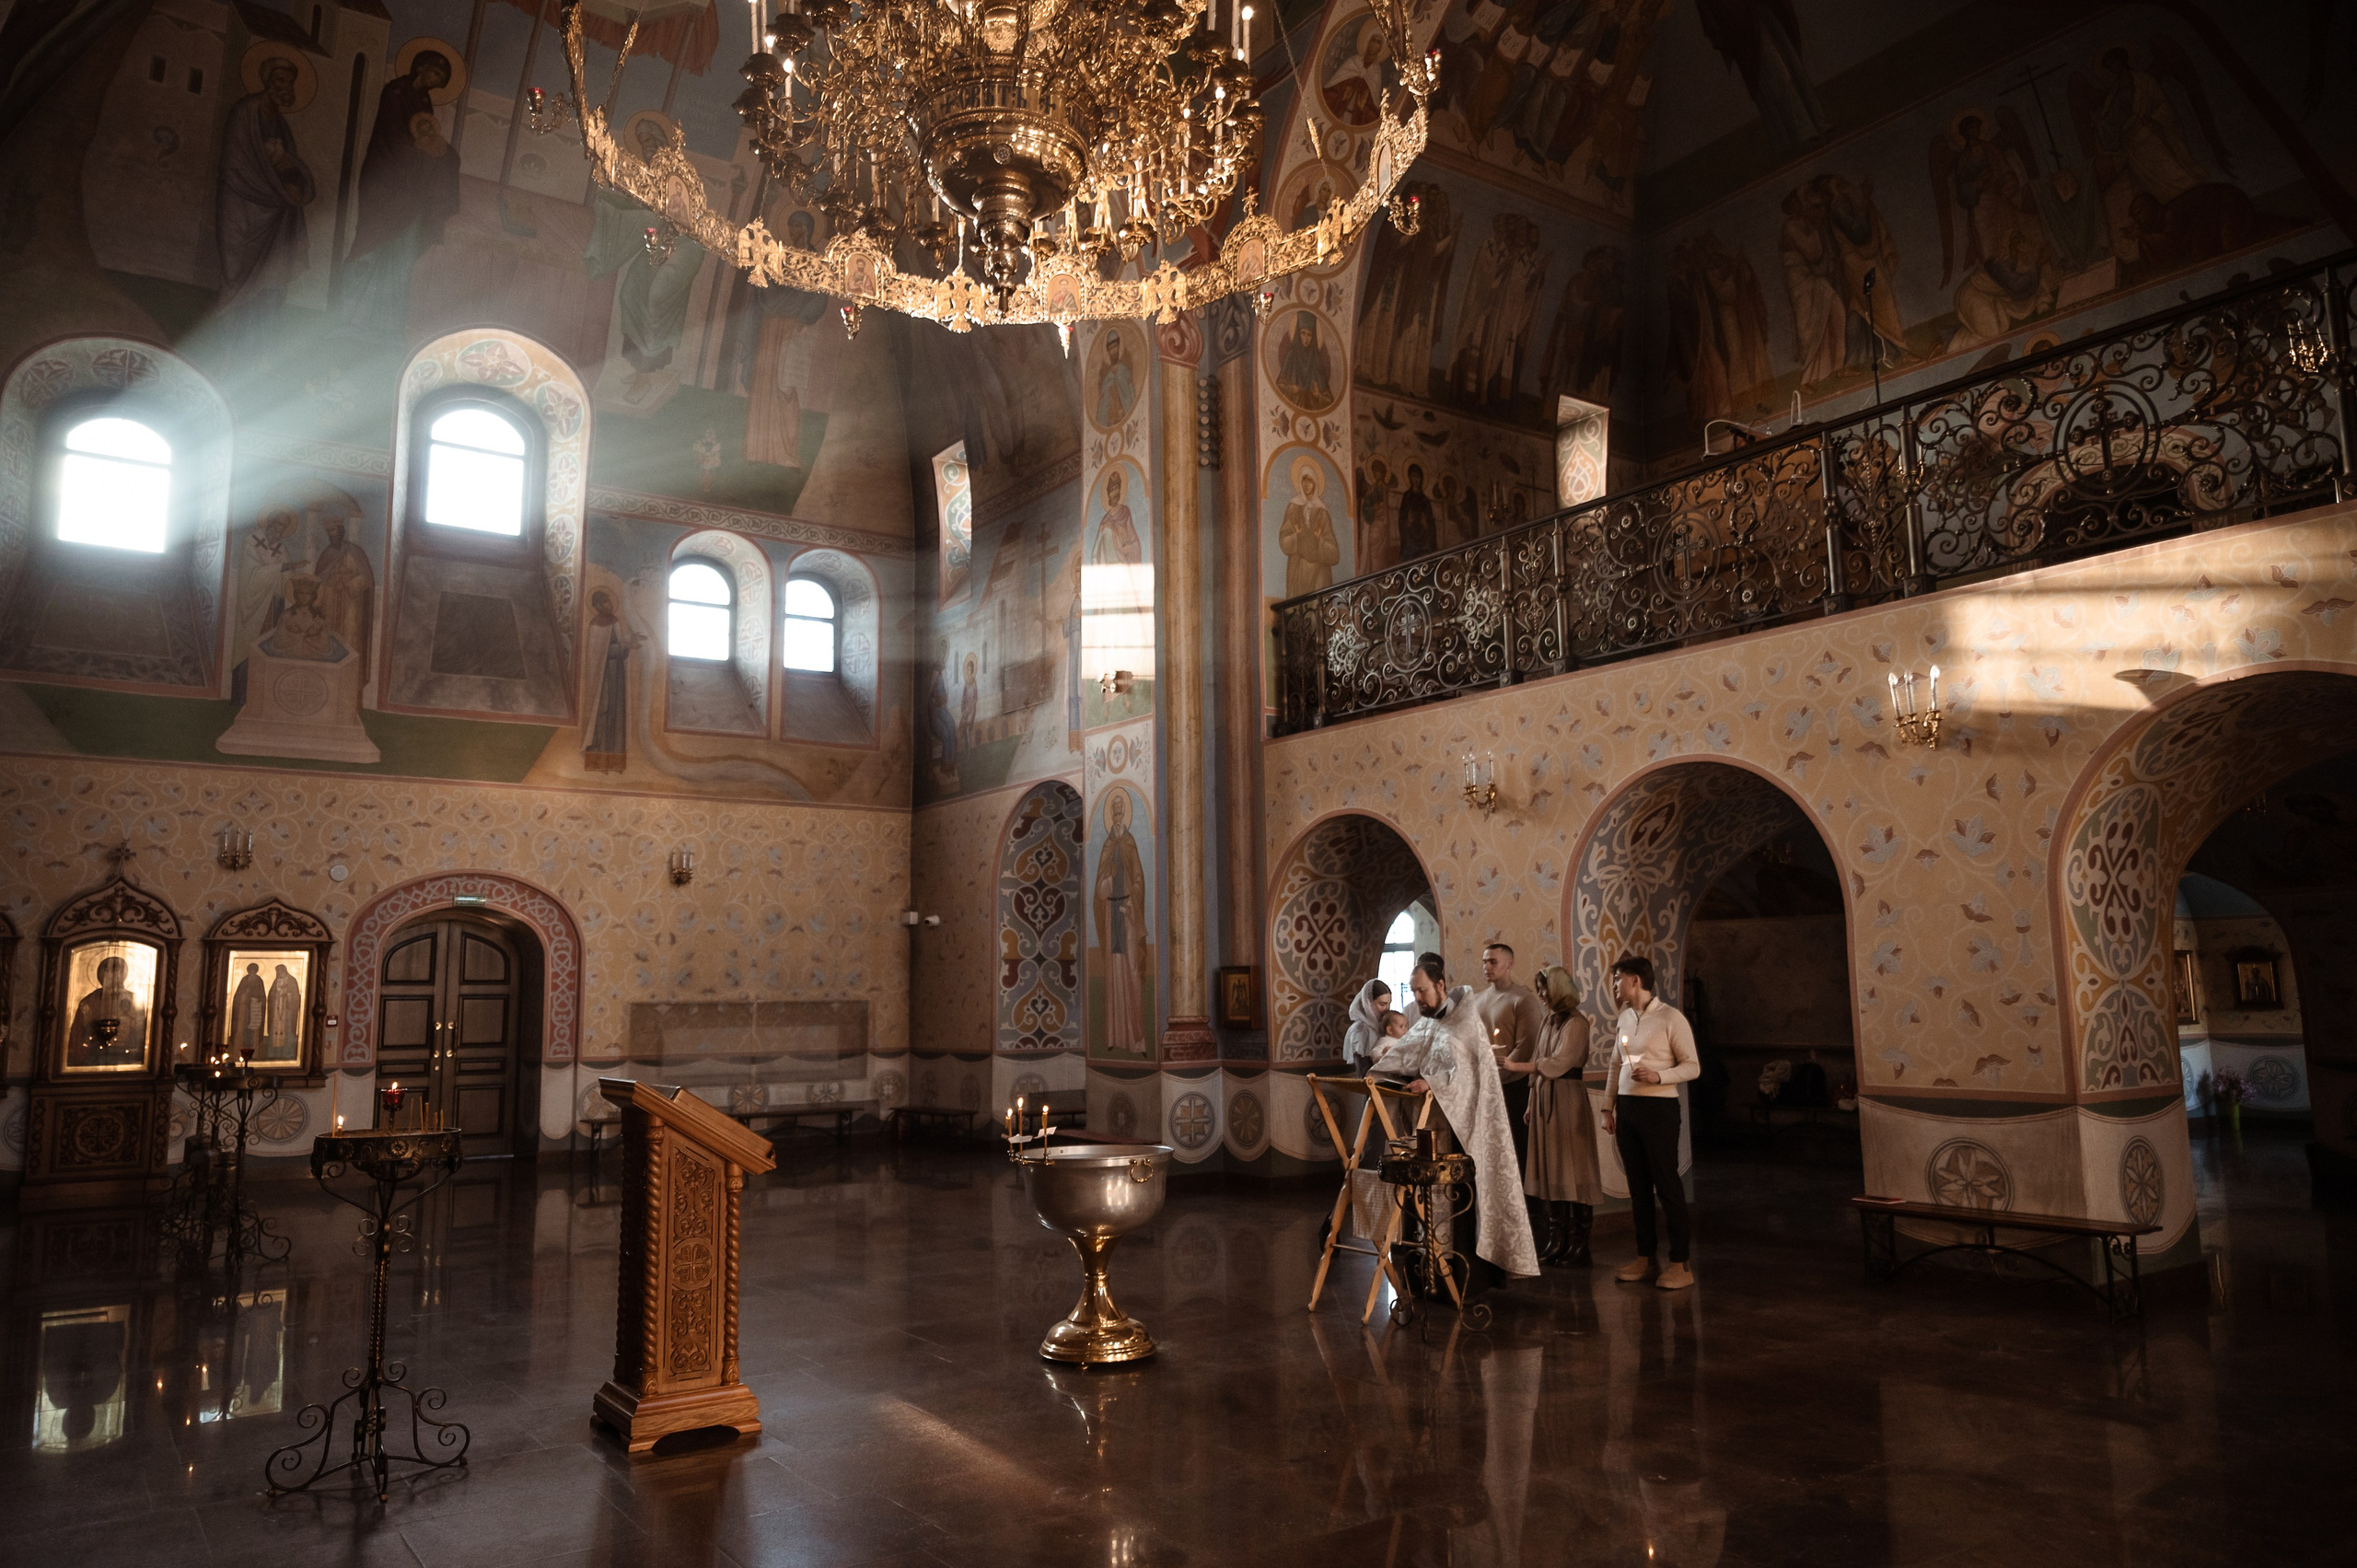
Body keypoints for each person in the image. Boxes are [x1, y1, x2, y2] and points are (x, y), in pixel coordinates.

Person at [1385, 957, 1539, 1289]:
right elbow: (1404, 1055)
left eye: (1422, 990)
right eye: (1413, 991)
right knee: (1425, 1199)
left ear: (1440, 985)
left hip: (1461, 1134)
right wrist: (1380, 1072)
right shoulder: (1428, 1024)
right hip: (1429, 1130)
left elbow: (1470, 1075)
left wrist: (1432, 1083)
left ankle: (1462, 1282)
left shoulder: (1466, 1023)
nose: (1417, 998)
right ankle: (1429, 1279)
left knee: (1457, 1201)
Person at [1601, 954, 1700, 1290]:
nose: (1615, 985)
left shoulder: (1671, 1018)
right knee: (1638, 1188)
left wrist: (1658, 1076)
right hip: (1628, 1109)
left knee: (1667, 1185)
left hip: (1659, 1110)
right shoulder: (1625, 1017)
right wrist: (1608, 1108)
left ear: (1636, 981)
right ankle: (1645, 1257)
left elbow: (1692, 1066)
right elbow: (1615, 1065)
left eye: (1618, 978)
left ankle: (1680, 1263)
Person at [1512, 964, 1602, 1265]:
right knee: (1552, 1169)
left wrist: (1515, 1066)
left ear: (1559, 989)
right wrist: (1530, 1103)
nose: (1541, 994)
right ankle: (1557, 1240)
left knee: (1573, 1169)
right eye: (1539, 989)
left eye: (1544, 988)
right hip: (1544, 1096)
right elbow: (1540, 1058)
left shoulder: (1576, 1023)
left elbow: (1558, 1062)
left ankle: (1580, 1245)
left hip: (1566, 1098)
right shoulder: (1549, 1021)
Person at [1473, 942, 1549, 1168]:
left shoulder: (1522, 999)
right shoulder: (1477, 999)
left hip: (1514, 1085)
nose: (1487, 966)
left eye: (1493, 962)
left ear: (1509, 964)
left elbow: (1526, 1046)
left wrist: (1499, 1074)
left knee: (1516, 1150)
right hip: (1486, 1085)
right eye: (1485, 962)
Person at [1342, 980, 1391, 1075]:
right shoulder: (1360, 1029)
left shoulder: (1381, 1025)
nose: (1387, 1009)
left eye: (1389, 1004)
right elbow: (1363, 1071)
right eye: (1382, 1004)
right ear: (1368, 1003)